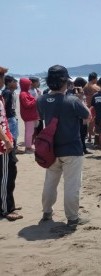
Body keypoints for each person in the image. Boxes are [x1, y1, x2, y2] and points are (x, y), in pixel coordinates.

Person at [36, 65, 90, 228]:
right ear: (65, 82)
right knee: (72, 185)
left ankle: (47, 212)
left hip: (50, 149)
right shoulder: (72, 100)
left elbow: (42, 117)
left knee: (50, 183)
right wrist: (81, 99)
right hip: (72, 149)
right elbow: (87, 116)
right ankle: (72, 218)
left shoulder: (41, 100)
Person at [0, 66, 21, 221]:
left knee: (8, 173)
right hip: (2, 144)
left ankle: (8, 203)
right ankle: (6, 208)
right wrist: (6, 140)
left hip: (5, 140)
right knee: (6, 175)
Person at [69, 77, 91, 154]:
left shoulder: (75, 91)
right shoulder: (74, 92)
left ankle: (83, 148)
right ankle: (81, 148)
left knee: (83, 133)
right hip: (78, 116)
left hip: (81, 115)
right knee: (80, 133)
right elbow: (79, 101)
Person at [19, 78, 39, 153]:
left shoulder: (26, 93)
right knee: (29, 132)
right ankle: (28, 148)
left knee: (30, 131)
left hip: (30, 115)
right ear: (25, 85)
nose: (30, 85)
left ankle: (29, 146)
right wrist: (36, 100)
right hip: (28, 116)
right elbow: (27, 104)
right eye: (29, 84)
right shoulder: (23, 94)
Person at [2, 75, 19, 150]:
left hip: (10, 116)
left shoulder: (8, 92)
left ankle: (14, 149)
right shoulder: (7, 92)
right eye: (13, 81)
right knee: (13, 134)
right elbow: (4, 105)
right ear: (9, 82)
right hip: (9, 116)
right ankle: (13, 150)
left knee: (13, 134)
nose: (15, 83)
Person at [83, 72, 99, 143]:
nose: (97, 79)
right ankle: (95, 136)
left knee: (89, 122)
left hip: (87, 105)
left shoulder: (85, 86)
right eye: (96, 78)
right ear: (94, 78)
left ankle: (89, 137)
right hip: (94, 106)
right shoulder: (95, 86)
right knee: (94, 122)